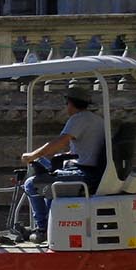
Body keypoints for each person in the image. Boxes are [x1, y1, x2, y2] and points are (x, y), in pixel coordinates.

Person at [21, 92, 106, 240]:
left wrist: (32, 156)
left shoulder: (78, 119)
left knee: (30, 184)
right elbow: (85, 147)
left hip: (85, 174)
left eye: (67, 104)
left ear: (71, 104)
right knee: (45, 172)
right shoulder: (97, 120)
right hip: (89, 169)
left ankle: (42, 228)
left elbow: (58, 142)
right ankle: (49, 222)